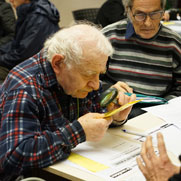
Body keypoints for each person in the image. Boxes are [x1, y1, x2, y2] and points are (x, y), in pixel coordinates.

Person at [0, 23, 136, 181]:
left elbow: (94, 112)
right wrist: (79, 132)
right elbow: (13, 157)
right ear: (58, 63)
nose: (97, 84)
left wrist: (115, 114)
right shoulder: (25, 88)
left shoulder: (75, 71)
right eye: (89, 74)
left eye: (100, 73)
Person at [101, 0, 181, 118]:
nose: (148, 23)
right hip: (113, 108)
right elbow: (89, 80)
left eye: (155, 14)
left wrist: (163, 109)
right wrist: (108, 89)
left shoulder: (174, 43)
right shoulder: (109, 36)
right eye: (140, 15)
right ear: (128, 11)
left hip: (156, 113)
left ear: (163, 12)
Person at [0, 0, 60, 84]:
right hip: (29, 65)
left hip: (38, 72)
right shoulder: (29, 13)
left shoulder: (39, 16)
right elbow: (15, 44)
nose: (10, 0)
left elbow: (23, 56)